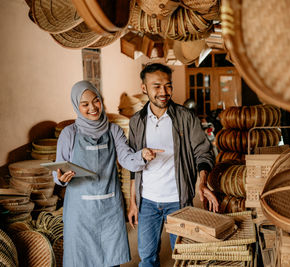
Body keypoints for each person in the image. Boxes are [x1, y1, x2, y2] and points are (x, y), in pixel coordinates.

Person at [54, 80, 162, 267]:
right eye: (85, 104)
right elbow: (58, 170)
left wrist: (142, 156)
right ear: (76, 106)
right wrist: (61, 179)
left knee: (110, 260)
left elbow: (127, 159)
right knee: (82, 261)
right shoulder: (68, 134)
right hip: (80, 214)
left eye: (96, 101)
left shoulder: (113, 130)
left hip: (109, 209)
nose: (93, 107)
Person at [128, 63, 219, 267]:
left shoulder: (185, 117)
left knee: (183, 257)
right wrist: (133, 202)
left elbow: (203, 152)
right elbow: (133, 164)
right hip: (147, 202)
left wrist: (202, 183)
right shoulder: (137, 122)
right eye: (157, 86)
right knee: (147, 258)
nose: (164, 92)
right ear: (144, 88)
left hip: (178, 201)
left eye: (168, 86)